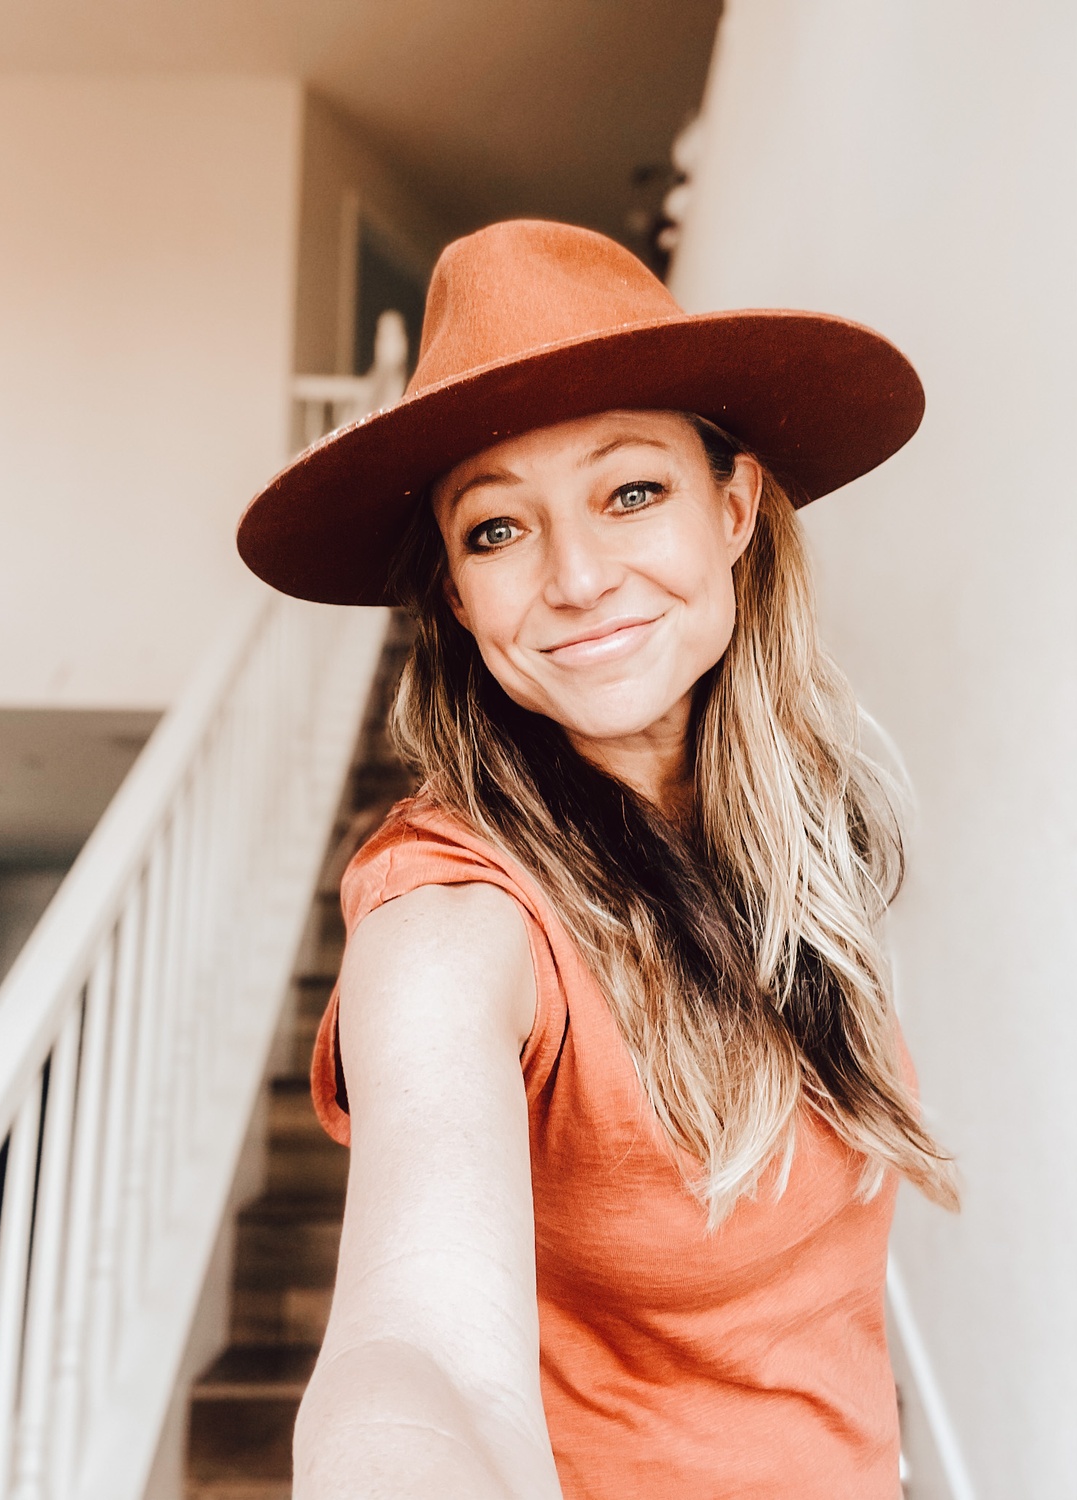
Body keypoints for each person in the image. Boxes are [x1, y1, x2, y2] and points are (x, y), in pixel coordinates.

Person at [237, 219, 958, 1500]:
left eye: (631, 493)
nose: (575, 577)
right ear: (455, 594)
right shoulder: (449, 920)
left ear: (732, 508)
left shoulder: (787, 834)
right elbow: (418, 1356)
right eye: (495, 530)